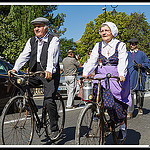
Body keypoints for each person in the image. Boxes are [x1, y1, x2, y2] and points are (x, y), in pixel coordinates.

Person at [9, 17, 60, 140]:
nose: (36, 28)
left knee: (48, 100)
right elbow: (24, 55)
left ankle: (54, 128)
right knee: (20, 81)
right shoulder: (31, 41)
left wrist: (48, 70)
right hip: (35, 72)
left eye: (39, 26)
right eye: (35, 27)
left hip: (50, 73)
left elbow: (52, 55)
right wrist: (15, 68)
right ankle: (31, 108)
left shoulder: (54, 40)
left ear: (46, 27)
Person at [82, 22, 132, 142]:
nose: (103, 33)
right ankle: (98, 112)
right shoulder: (98, 45)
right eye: (102, 30)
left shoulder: (120, 45)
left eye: (106, 30)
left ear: (112, 32)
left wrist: (121, 74)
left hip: (116, 75)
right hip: (102, 75)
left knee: (118, 103)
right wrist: (85, 72)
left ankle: (121, 124)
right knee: (95, 90)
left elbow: (123, 61)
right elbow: (92, 60)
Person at [127, 38, 150, 118]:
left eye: (133, 44)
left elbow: (148, 63)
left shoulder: (142, 54)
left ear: (136, 45)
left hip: (140, 76)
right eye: (130, 44)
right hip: (130, 77)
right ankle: (130, 111)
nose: (131, 45)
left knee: (140, 94)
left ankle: (140, 107)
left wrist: (142, 65)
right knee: (130, 94)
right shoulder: (126, 54)